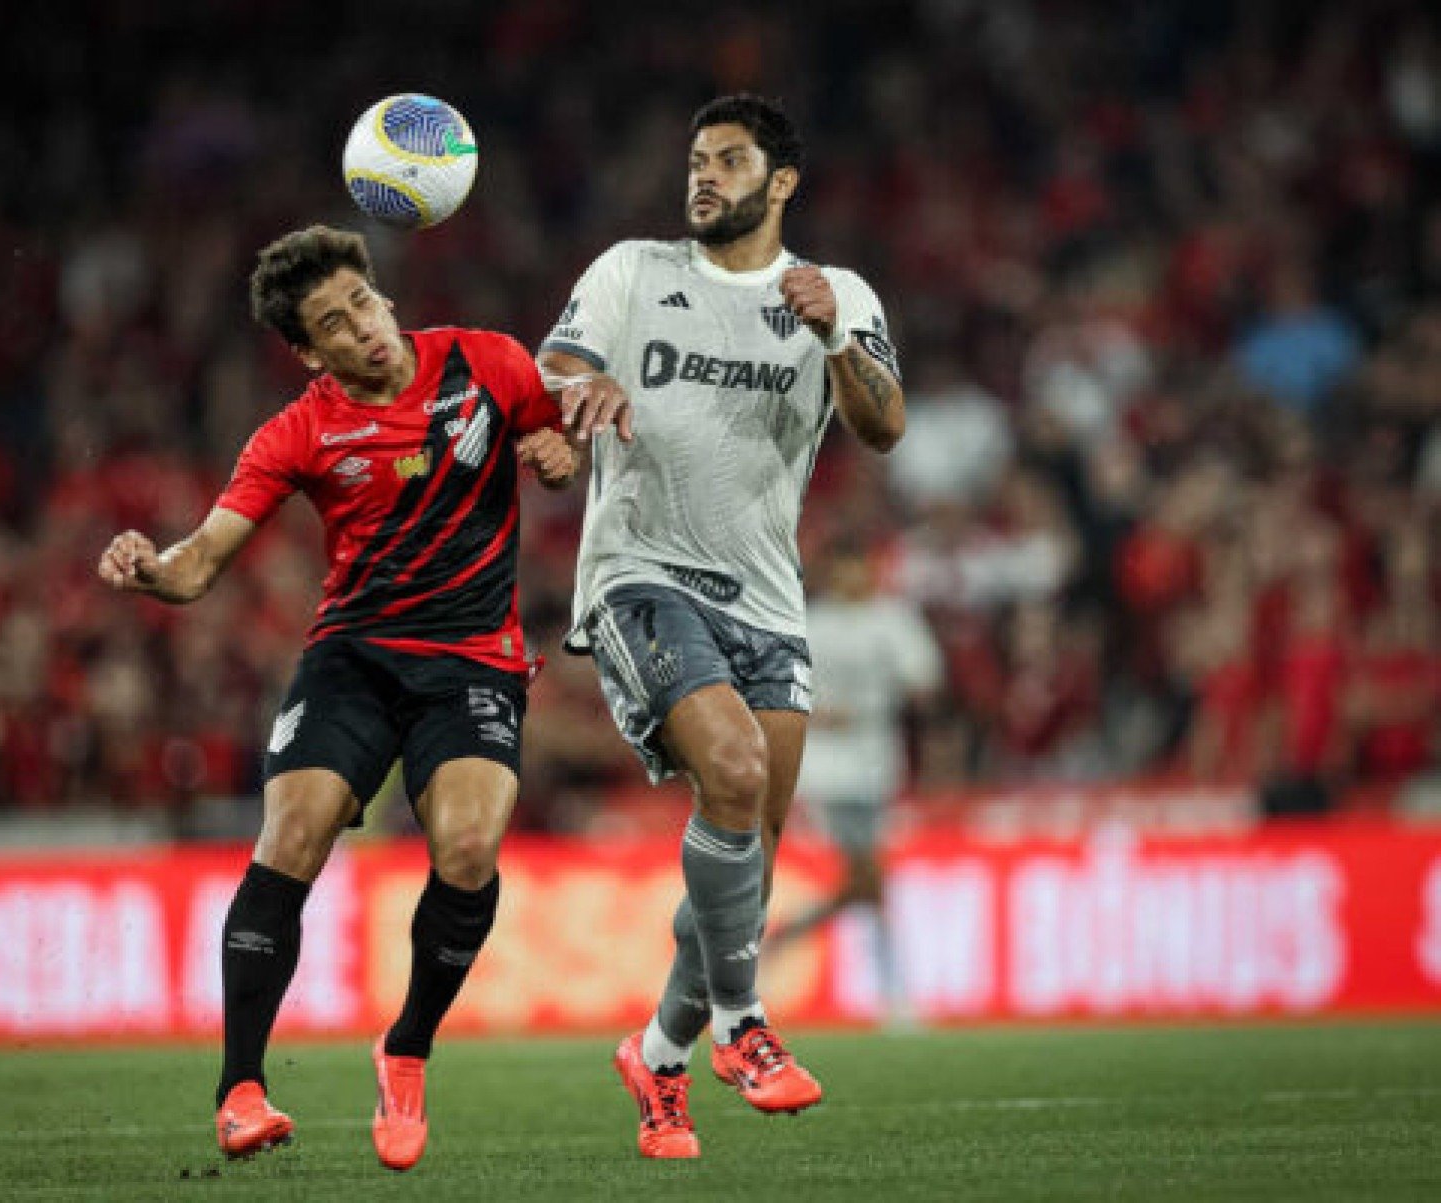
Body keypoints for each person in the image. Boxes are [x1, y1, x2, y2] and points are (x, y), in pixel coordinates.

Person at [97, 225, 583, 1172]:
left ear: (383, 295)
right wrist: (150, 569)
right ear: (309, 351)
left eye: (363, 302)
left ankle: (406, 1047)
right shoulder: (299, 431)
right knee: (291, 834)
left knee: (471, 847)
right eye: (333, 323)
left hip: (474, 660)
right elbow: (201, 565)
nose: (361, 328)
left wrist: (552, 451)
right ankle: (241, 1089)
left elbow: (542, 429)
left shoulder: (486, 361)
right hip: (353, 660)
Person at [539, 93, 907, 1159]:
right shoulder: (634, 272)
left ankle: (657, 1058)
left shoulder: (834, 294)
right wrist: (587, 382)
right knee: (735, 777)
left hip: (768, 603)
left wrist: (835, 331)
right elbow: (554, 365)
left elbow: (883, 425)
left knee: (742, 858)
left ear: (780, 181)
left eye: (729, 160)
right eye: (696, 159)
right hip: (639, 574)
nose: (703, 176)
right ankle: (744, 1027)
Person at [765, 541, 943, 1028]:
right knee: (869, 877)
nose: (851, 578)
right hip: (824, 772)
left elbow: (926, 678)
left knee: (866, 882)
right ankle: (896, 996)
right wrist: (822, 714)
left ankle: (784, 937)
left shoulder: (893, 618)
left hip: (877, 767)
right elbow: (782, 686)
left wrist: (901, 681)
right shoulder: (814, 621)